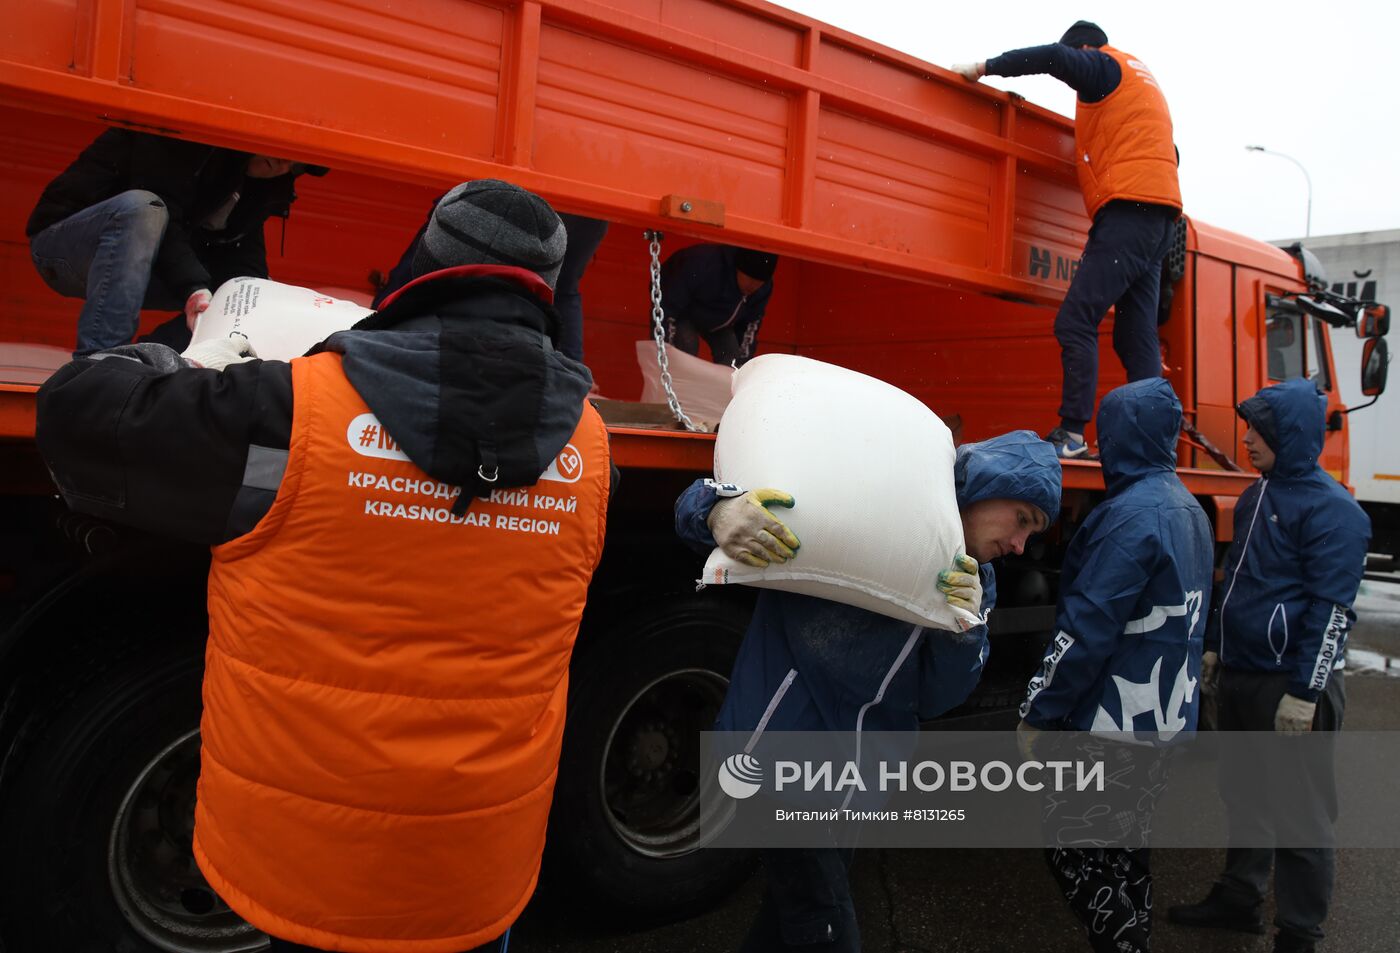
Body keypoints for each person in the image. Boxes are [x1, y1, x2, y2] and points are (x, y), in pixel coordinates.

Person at [35, 180, 610, 953]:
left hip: (310, 876)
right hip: (477, 878)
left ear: (427, 259)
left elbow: (77, 414)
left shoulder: (290, 409)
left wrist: (168, 358)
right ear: (544, 289)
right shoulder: (593, 448)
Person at [675, 430, 1061, 952]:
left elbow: (937, 698)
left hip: (857, 783)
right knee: (826, 930)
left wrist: (964, 629)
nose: (1020, 545)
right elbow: (710, 506)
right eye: (1022, 520)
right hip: (782, 757)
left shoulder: (975, 580)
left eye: (1031, 535)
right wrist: (715, 511)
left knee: (789, 924)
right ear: (988, 486)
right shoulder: (868, 508)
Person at [1167, 377, 1370, 953]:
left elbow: (1332, 612)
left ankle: (1300, 934)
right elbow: (1233, 583)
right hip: (1243, 674)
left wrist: (1305, 692)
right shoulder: (1258, 494)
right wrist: (1213, 645)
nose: (1248, 437)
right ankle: (1240, 897)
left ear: (1294, 435)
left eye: (1261, 428)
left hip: (1291, 685)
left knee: (1301, 815)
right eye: (1250, 425)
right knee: (1245, 792)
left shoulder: (1337, 512)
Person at [1018, 377, 1214, 953]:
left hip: (1111, 724)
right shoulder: (1187, 508)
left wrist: (1039, 712)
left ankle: (1126, 946)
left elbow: (1085, 629)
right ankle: (1133, 936)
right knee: (1127, 846)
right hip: (1164, 718)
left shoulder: (1129, 517)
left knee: (1071, 846)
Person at [953, 21, 1182, 459]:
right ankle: (1153, 444)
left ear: (1083, 47)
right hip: (1162, 218)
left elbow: (1055, 59)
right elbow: (1171, 154)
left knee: (1076, 320)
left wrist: (985, 67)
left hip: (1129, 212)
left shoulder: (1101, 66)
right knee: (1136, 338)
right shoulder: (1141, 83)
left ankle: (1072, 435)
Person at [27, 127, 327, 356]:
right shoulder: (186, 135)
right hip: (66, 249)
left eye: (295, 163)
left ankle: (144, 359)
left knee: (245, 294)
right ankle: (99, 361)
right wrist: (193, 286)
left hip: (139, 266)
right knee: (143, 209)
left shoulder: (252, 191)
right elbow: (163, 215)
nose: (284, 162)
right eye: (283, 150)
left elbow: (244, 266)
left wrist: (251, 299)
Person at [374, 198, 608, 364]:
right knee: (564, 287)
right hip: (588, 199)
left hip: (505, 182)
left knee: (439, 253)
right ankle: (568, 369)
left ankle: (377, 332)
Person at [660, 243, 777, 366]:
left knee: (732, 356)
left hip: (720, 323)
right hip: (683, 312)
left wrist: (742, 369)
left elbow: (748, 328)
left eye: (758, 284)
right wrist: (664, 350)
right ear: (737, 269)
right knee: (687, 343)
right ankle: (675, 384)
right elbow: (667, 306)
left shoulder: (762, 290)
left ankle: (724, 385)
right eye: (748, 282)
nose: (752, 287)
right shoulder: (703, 263)